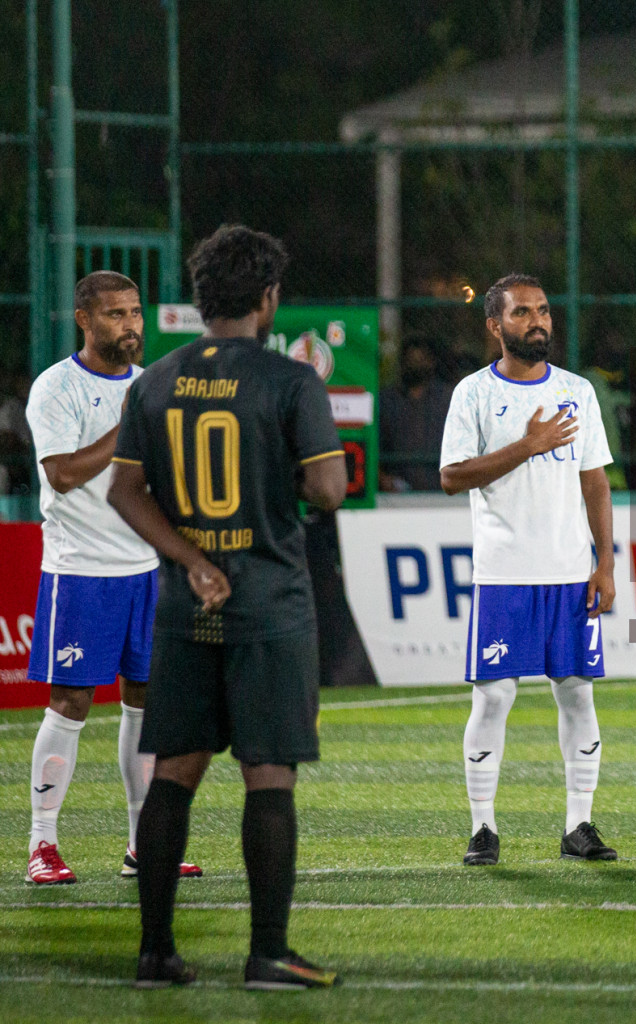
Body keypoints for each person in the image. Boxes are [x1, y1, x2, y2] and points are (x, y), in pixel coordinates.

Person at [107, 225, 347, 990]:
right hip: (269, 604)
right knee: (268, 774)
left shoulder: (155, 380)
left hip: (184, 606)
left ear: (203, 297)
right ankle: (268, 952)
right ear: (269, 297)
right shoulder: (290, 381)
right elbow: (329, 490)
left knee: (173, 771)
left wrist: (191, 560)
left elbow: (123, 491)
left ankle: (154, 953)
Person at [23, 271, 201, 886]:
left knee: (147, 703)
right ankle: (41, 845)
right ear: (84, 319)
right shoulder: (57, 387)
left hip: (146, 569)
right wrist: (127, 422)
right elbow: (64, 474)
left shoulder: (154, 387)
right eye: (114, 315)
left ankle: (143, 842)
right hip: (82, 571)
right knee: (71, 703)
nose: (129, 326)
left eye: (134, 313)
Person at [440, 273, 618, 868]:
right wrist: (529, 444)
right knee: (492, 699)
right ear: (495, 326)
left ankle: (579, 825)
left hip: (570, 574)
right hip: (504, 575)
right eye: (522, 313)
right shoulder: (472, 395)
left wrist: (605, 562)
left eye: (543, 311)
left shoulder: (578, 392)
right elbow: (451, 476)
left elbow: (595, 480)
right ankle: (483, 828)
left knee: (577, 696)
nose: (537, 321)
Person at [379, 338, 455, 492]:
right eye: (410, 360)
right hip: (397, 491)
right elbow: (374, 446)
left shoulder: (447, 399)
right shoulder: (387, 400)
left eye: (421, 360)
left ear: (431, 362)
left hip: (440, 490)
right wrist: (383, 479)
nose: (415, 365)